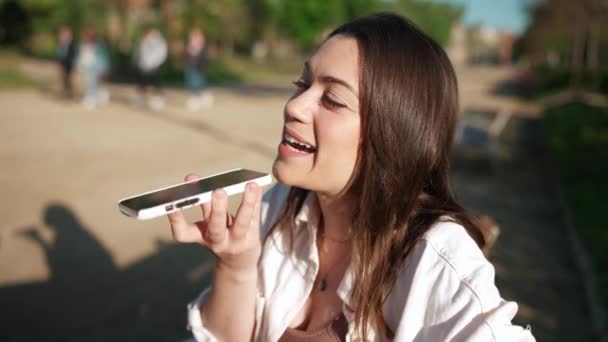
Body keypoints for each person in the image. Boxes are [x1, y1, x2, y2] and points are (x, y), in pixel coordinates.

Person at [168, 13, 536, 342]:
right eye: (302, 83)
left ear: (392, 133)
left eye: (332, 100)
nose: (294, 106)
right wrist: (235, 265)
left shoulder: (433, 257)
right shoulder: (279, 204)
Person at [133, 28, 167, 111]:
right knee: (142, 83)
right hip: (143, 66)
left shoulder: (159, 42)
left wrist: (156, 63)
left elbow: (161, 54)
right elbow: (137, 53)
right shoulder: (142, 42)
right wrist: (137, 62)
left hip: (155, 66)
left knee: (156, 83)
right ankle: (141, 99)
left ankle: (158, 100)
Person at [76, 27, 110, 110]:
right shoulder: (82, 45)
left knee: (92, 82)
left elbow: (104, 57)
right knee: (88, 82)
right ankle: (101, 93)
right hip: (85, 67)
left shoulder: (99, 45)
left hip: (95, 67)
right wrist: (77, 66)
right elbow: (79, 57)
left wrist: (105, 68)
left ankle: (90, 99)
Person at [184, 27, 213, 112]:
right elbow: (186, 56)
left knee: (199, 83)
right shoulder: (189, 46)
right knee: (191, 83)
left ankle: (198, 99)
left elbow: (206, 59)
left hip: (200, 67)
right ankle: (195, 99)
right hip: (190, 67)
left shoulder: (204, 47)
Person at [56, 26, 76, 98]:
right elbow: (59, 55)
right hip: (63, 63)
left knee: (67, 79)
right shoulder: (61, 45)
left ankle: (69, 93)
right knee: (64, 79)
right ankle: (66, 93)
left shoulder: (71, 45)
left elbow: (72, 55)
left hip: (69, 64)